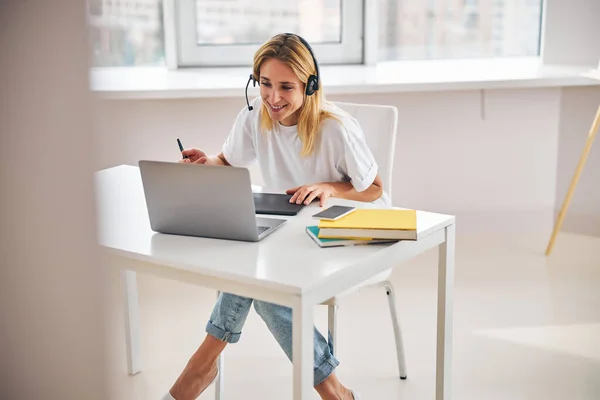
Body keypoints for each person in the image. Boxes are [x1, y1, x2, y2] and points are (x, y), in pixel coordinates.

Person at [163, 33, 391, 400]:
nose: (272, 97)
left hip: (344, 229)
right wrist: (208, 163)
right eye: (265, 84)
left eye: (286, 86)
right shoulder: (255, 115)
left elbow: (375, 189)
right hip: (291, 232)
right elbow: (228, 161)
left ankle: (199, 368)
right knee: (259, 279)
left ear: (310, 84)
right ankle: (334, 391)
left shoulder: (336, 128)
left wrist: (331, 188)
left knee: (261, 283)